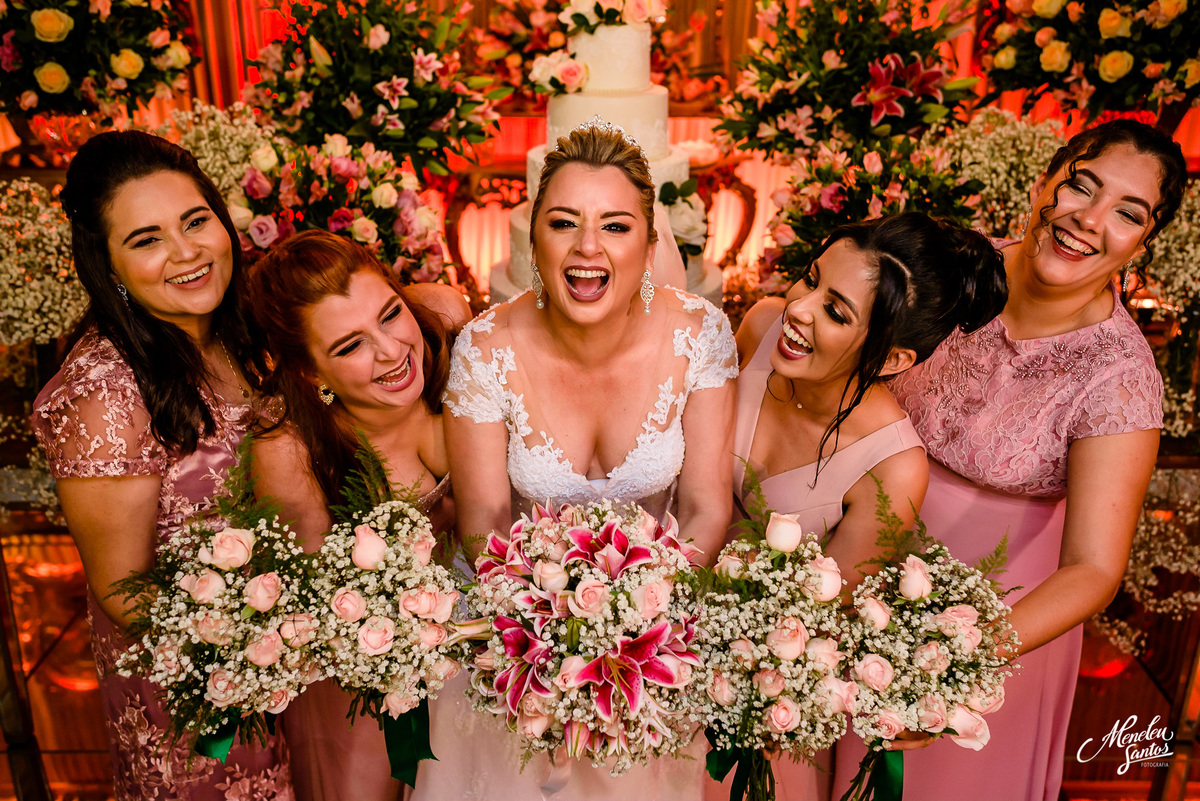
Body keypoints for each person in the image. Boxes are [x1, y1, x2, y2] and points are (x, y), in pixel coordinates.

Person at [834, 119, 1187, 801]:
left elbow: (1093, 569)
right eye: (1081, 185)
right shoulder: (952, 275)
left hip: (997, 618)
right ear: (1044, 182)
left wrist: (953, 664)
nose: (1089, 219)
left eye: (1127, 214)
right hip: (856, 563)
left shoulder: (1120, 379)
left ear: (1144, 242)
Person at [417, 118, 738, 801]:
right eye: (564, 222)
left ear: (650, 245)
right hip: (515, 643)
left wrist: (636, 622)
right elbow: (484, 521)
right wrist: (551, 631)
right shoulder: (485, 349)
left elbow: (709, 506)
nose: (588, 247)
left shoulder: (699, 335)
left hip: (657, 645)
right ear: (534, 240)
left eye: (616, 226)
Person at [31, 131, 292, 797]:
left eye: (196, 220)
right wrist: (268, 635)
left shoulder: (247, 334)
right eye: (146, 239)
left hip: (293, 679)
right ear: (109, 264)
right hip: (201, 713)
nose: (185, 252)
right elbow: (126, 593)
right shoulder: (104, 392)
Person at [718, 212, 1007, 801]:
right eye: (810, 279)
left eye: (836, 311)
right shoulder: (760, 326)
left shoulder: (893, 465)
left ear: (896, 358)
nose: (799, 308)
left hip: (753, 702)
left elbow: (821, 627)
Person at [246, 229, 470, 801]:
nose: (393, 351)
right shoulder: (291, 448)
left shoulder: (461, 359)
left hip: (484, 662)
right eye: (350, 347)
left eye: (391, 315)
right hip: (365, 688)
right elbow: (320, 606)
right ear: (311, 374)